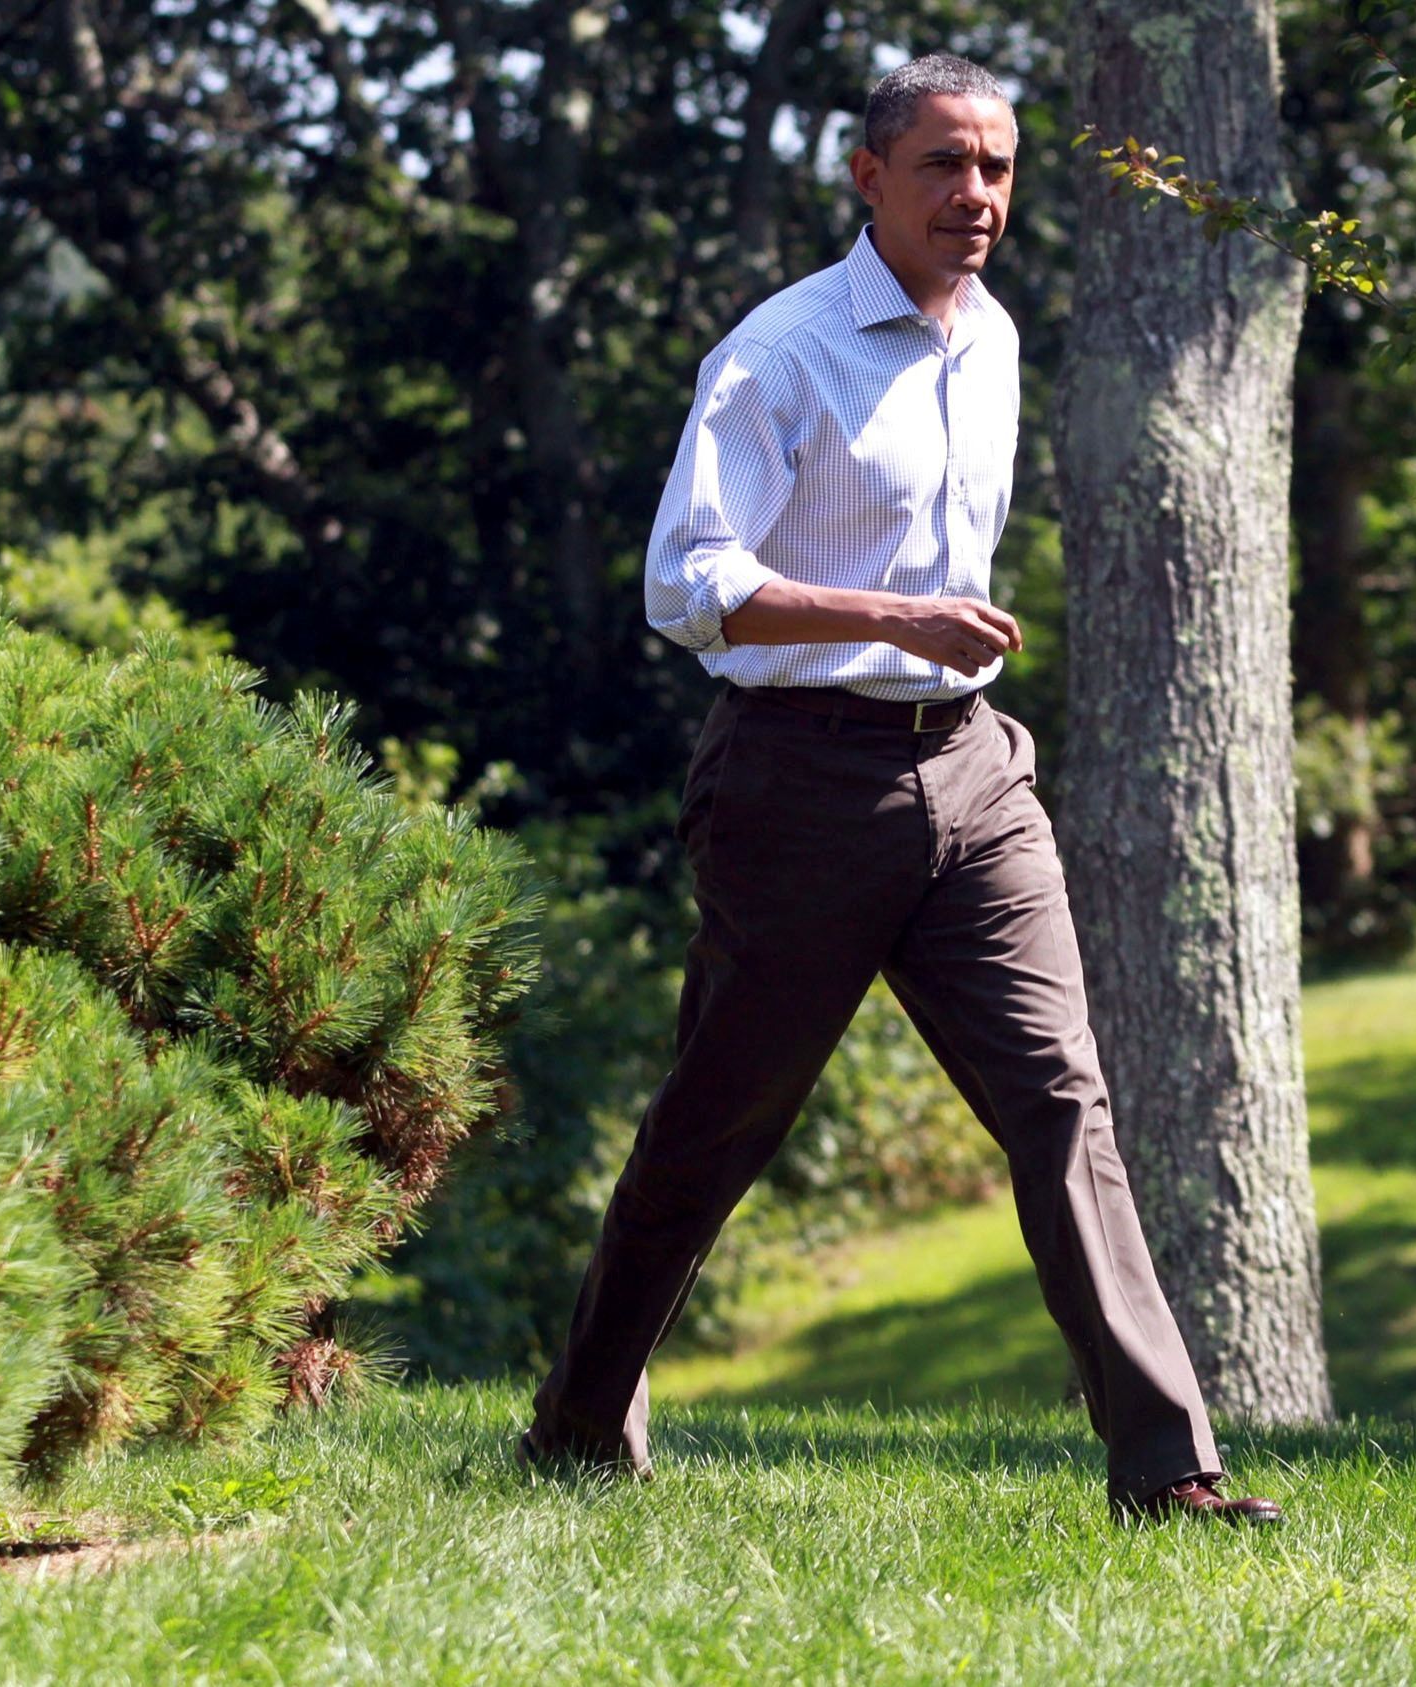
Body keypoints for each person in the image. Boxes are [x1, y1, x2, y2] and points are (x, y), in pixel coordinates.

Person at [518, 53, 1285, 1527]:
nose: (976, 195)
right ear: (870, 178)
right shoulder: (781, 355)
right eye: (943, 164)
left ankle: (1169, 1470)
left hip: (975, 773)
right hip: (799, 789)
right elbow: (688, 588)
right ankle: (578, 1424)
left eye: (996, 168)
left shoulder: (989, 337)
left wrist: (946, 671)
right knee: (715, 1126)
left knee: (1063, 1101)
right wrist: (886, 618)